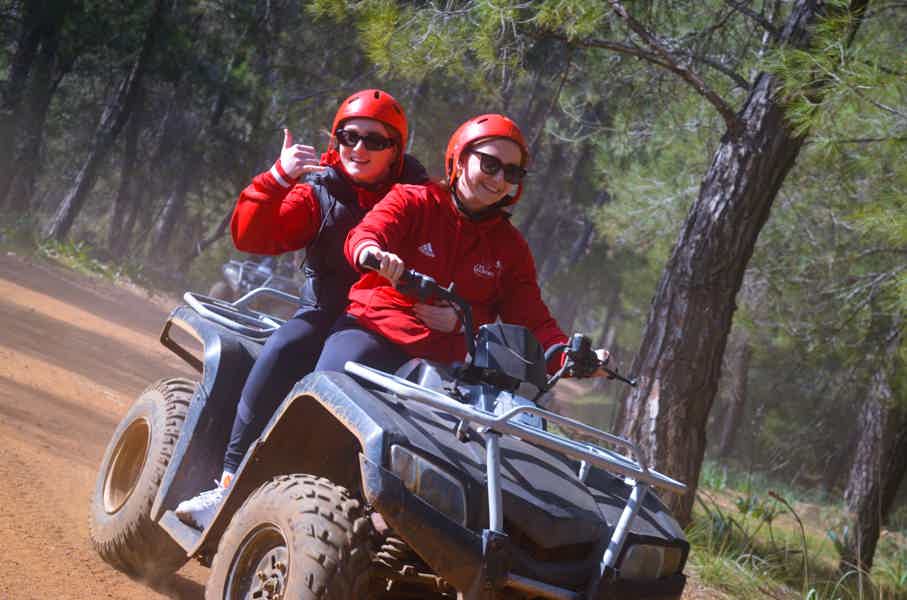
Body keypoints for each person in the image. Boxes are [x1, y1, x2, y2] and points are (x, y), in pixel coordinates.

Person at [175, 89, 440, 530]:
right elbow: (251, 236)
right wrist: (278, 178)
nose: (359, 148)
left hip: (387, 328)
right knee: (286, 348)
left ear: (397, 150)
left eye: (375, 140)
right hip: (323, 310)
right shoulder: (321, 191)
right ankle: (228, 483)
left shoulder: (422, 200)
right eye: (349, 136)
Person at [314, 114, 607, 377]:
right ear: (461, 158)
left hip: (447, 364)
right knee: (327, 393)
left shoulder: (511, 247)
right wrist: (371, 252)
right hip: (373, 333)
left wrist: (574, 359)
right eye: (490, 164)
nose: (499, 179)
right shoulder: (412, 200)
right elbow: (367, 233)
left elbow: (533, 322)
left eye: (512, 173)